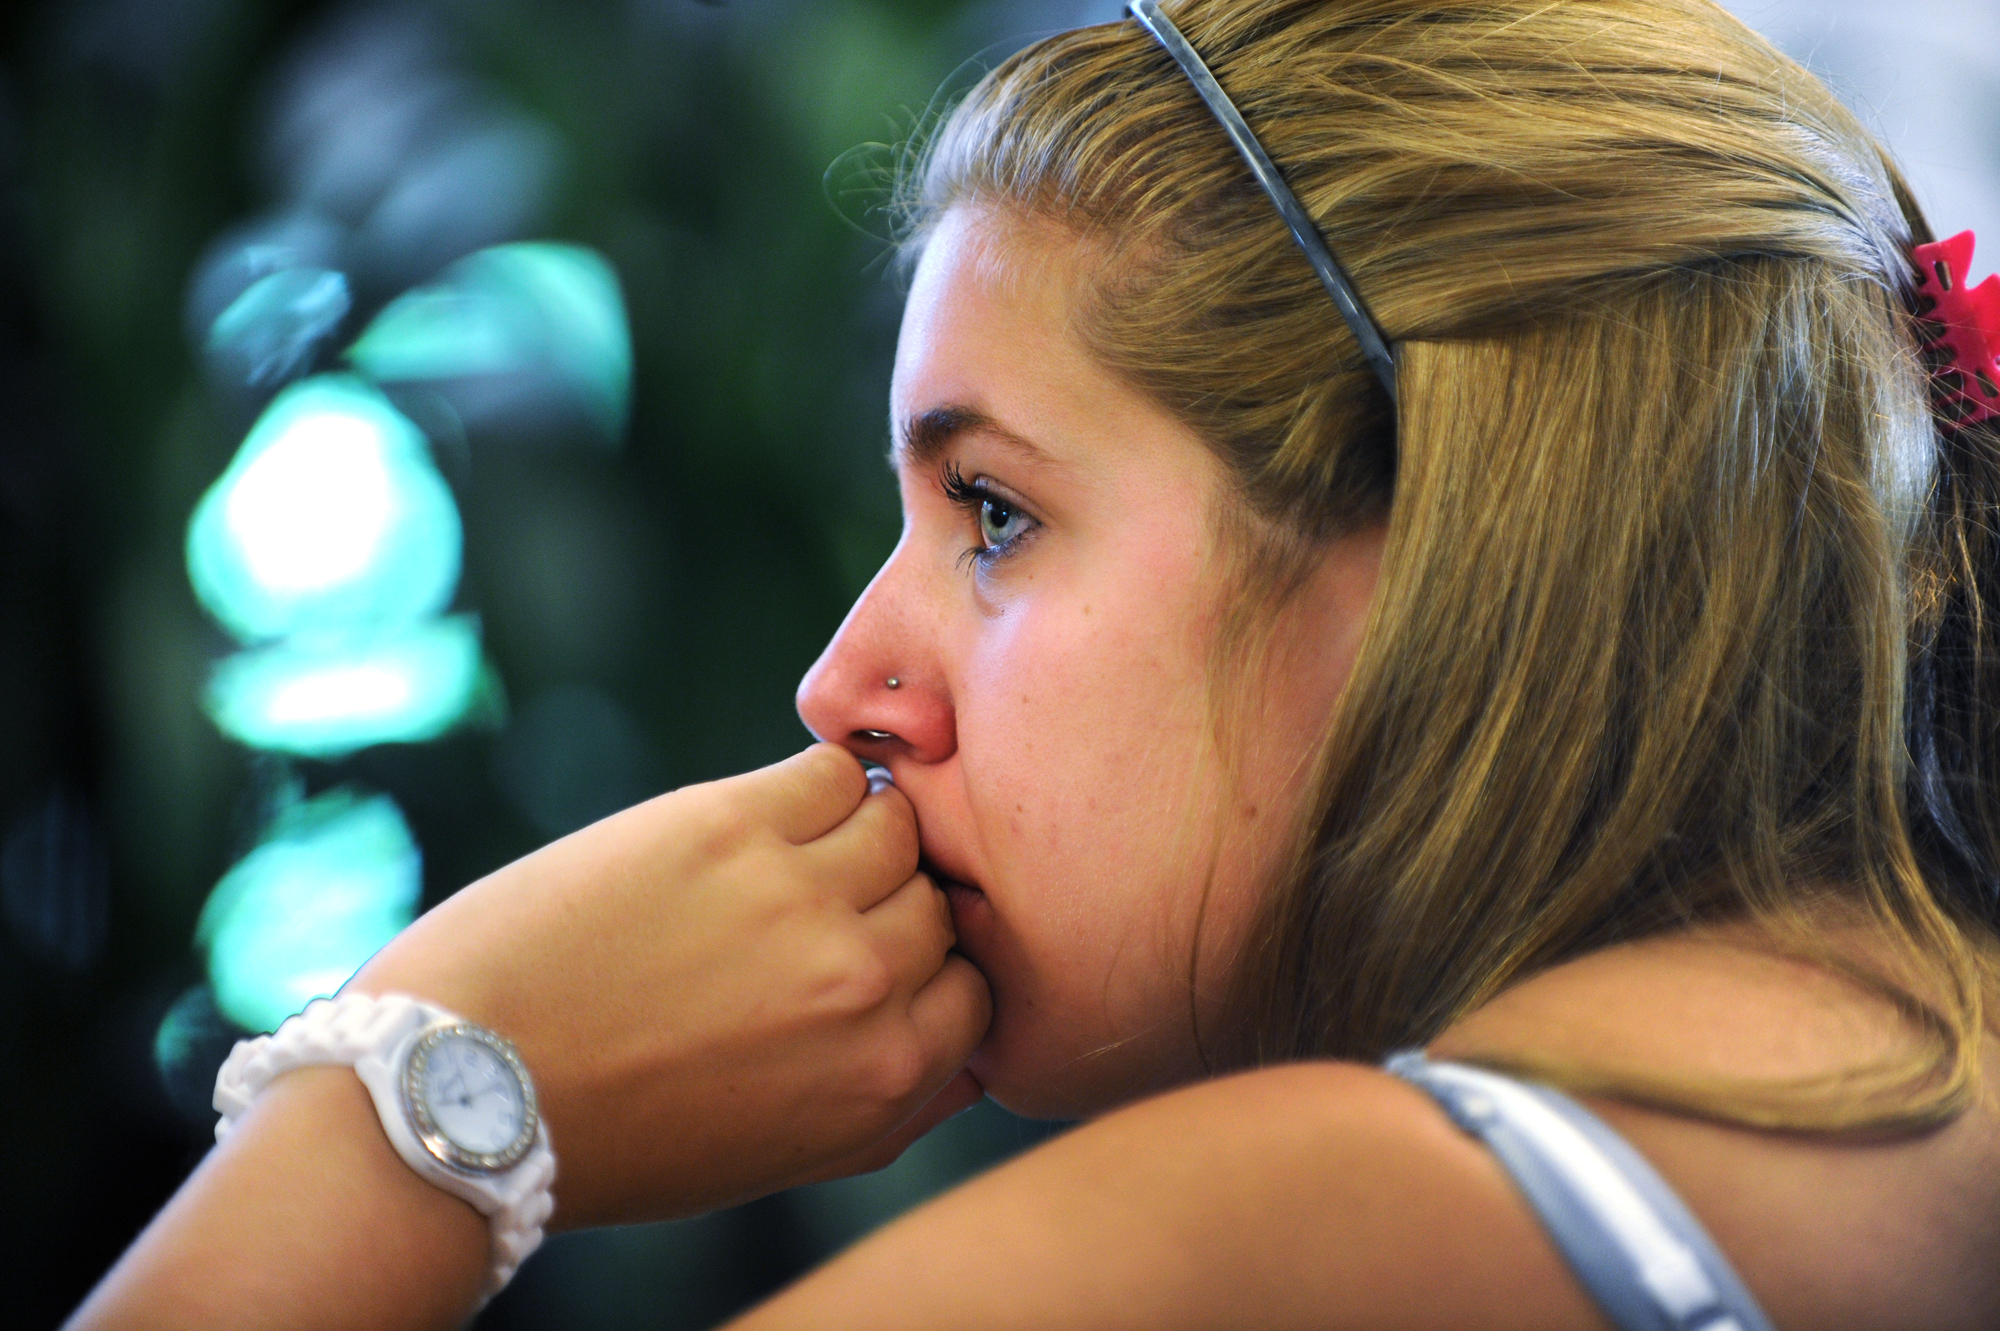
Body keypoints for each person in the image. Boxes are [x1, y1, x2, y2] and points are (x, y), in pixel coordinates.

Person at [69, 0, 2000, 1326]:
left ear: (1451, 538)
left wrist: (420, 1094)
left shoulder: (1278, 1243)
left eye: (993, 512)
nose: (845, 685)